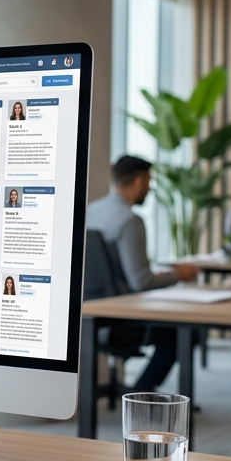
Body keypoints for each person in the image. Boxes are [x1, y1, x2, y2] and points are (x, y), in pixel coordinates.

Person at [87, 156, 199, 393]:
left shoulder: (91, 211)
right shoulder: (130, 220)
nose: (149, 188)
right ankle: (143, 391)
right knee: (185, 333)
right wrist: (179, 274)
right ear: (138, 181)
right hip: (124, 319)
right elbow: (142, 281)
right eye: (149, 181)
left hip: (91, 314)